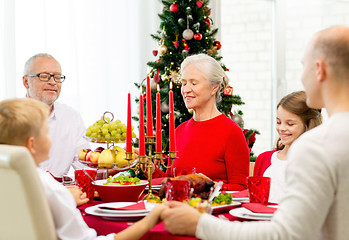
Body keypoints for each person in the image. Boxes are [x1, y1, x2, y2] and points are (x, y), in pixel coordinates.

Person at [160, 25, 349, 240]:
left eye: (303, 67)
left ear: (319, 70)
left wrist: (200, 224)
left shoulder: (315, 146)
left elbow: (287, 234)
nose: (303, 78)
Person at [0, 98, 166, 240]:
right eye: (47, 132)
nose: (51, 137)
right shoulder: (50, 188)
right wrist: (152, 219)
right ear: (32, 144)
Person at [152, 53, 250, 191]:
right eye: (184, 83)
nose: (185, 90)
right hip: (178, 209)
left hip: (210, 211)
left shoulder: (231, 132)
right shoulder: (179, 131)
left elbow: (241, 188)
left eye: (194, 83)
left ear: (214, 87)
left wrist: (208, 186)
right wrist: (150, 170)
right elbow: (171, 180)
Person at [22, 53, 90, 178]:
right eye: (44, 76)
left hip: (61, 194)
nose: (53, 82)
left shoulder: (72, 118)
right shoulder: (8, 119)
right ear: (26, 82)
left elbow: (86, 168)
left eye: (57, 77)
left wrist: (117, 165)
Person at [253, 91, 322, 202]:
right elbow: (254, 203)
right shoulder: (264, 159)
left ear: (309, 125)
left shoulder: (316, 163)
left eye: (290, 124)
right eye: (278, 122)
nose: (282, 128)